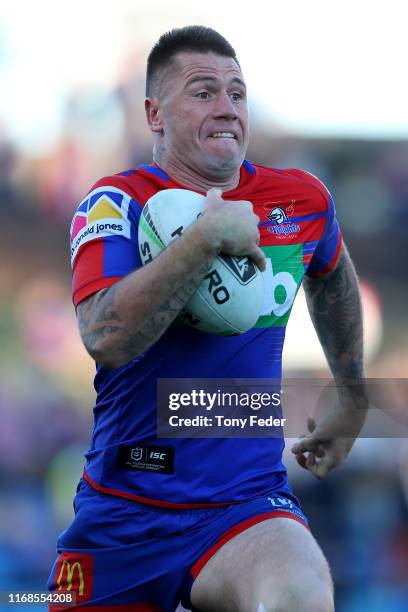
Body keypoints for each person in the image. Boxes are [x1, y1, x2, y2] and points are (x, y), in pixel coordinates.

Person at [48, 25, 367, 612]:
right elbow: (105, 337)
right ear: (154, 114)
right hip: (120, 515)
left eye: (237, 93)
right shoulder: (114, 202)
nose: (227, 108)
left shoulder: (300, 200)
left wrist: (352, 393)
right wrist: (203, 241)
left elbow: (333, 274)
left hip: (243, 508)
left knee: (299, 596)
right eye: (203, 92)